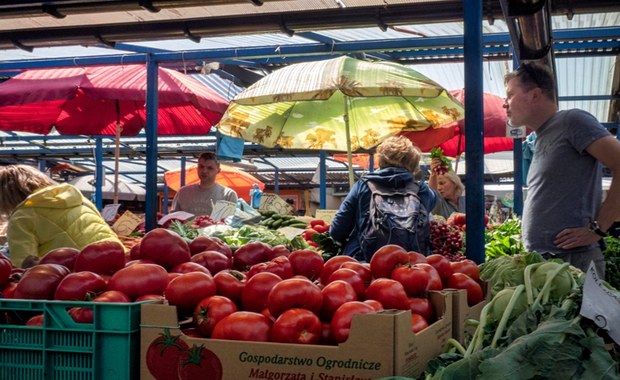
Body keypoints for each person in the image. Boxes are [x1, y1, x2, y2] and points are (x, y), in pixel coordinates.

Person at [504, 62, 620, 276]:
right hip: (548, 262)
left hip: (574, 262)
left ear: (535, 94)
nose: (505, 104)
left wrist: (598, 229)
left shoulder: (572, 121)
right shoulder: (540, 137)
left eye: (510, 95)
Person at [329, 136, 437, 261]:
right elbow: (435, 199)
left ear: (380, 160)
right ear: (414, 164)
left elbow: (337, 231)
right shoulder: (422, 190)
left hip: (365, 263)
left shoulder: (363, 185)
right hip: (412, 264)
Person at [0, 164, 123, 268]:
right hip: (121, 260)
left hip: (77, 272)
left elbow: (23, 265)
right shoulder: (78, 198)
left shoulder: (22, 217)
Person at [171, 152, 238, 217]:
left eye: (210, 168)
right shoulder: (183, 193)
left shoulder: (228, 195)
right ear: (197, 168)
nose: (204, 171)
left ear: (218, 170)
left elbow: (230, 224)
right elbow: (172, 220)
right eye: (201, 167)